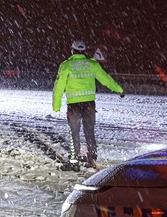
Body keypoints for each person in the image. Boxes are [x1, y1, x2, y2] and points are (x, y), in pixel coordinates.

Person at [53, 40, 124, 169]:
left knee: (74, 132)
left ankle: (74, 162)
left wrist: (56, 105)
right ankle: (92, 157)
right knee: (89, 131)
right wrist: (119, 89)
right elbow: (106, 79)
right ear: (84, 51)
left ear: (72, 50)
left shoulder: (66, 65)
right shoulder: (92, 64)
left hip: (74, 105)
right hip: (89, 104)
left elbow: (59, 86)